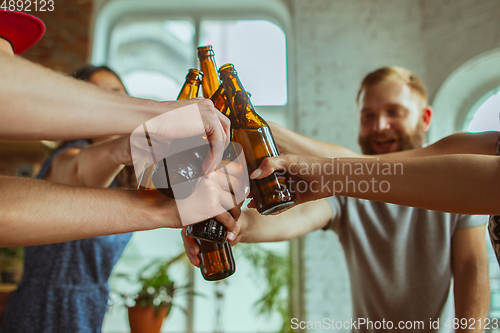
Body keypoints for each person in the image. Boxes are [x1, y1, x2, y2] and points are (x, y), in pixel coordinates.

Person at [184, 66, 490, 331]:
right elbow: (292, 217)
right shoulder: (348, 187)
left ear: (425, 118)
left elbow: (471, 268)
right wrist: (228, 224)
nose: (379, 125)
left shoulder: (455, 181)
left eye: (394, 112)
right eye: (368, 116)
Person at [0, 9, 242, 246]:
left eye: (117, 95)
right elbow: (76, 170)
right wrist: (159, 113)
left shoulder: (134, 169)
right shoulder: (71, 152)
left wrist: (168, 206)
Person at [1, 65, 141, 332]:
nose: (112, 104)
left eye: (116, 94)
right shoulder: (66, 155)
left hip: (90, 305)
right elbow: (78, 170)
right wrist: (127, 147)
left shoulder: (125, 177)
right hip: (44, 307)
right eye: (99, 97)